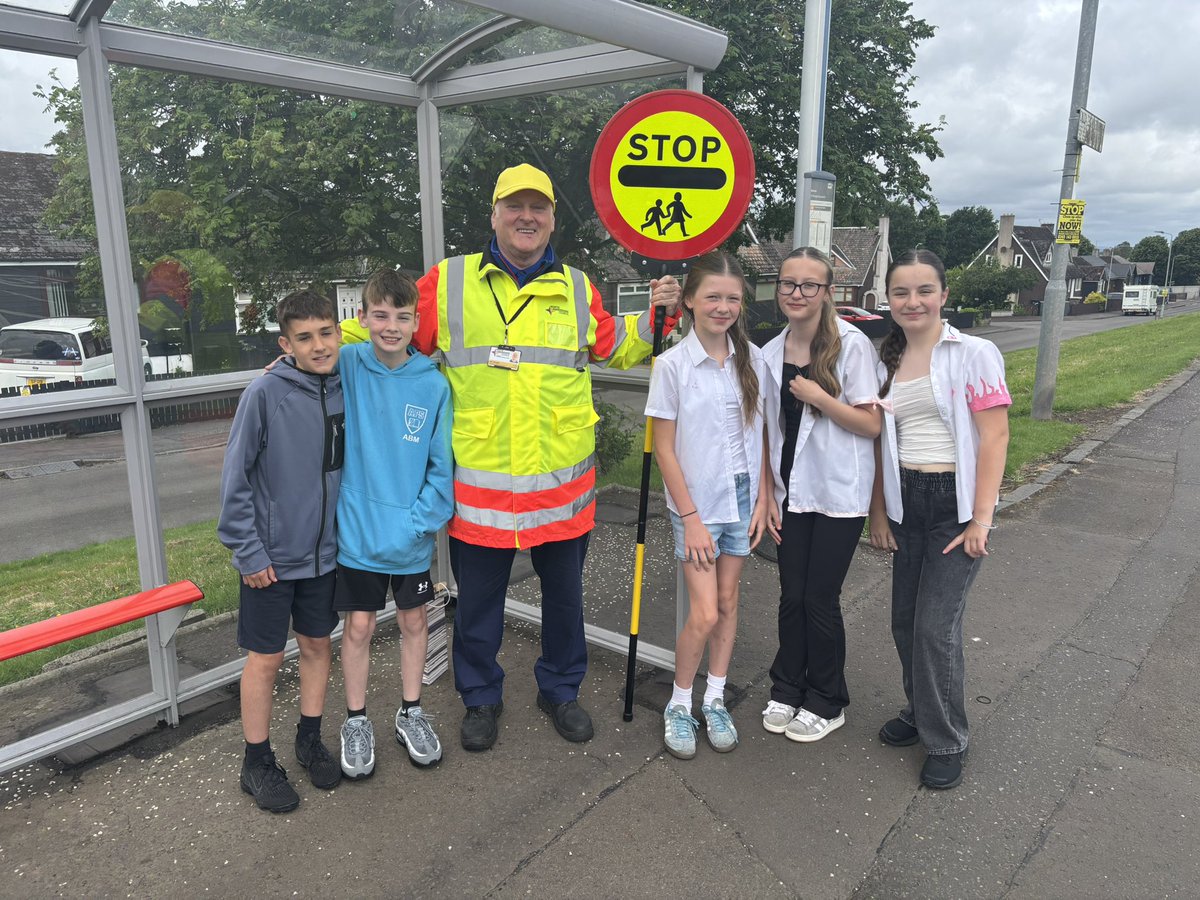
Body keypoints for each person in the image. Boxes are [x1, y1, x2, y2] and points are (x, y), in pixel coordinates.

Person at [407, 162, 680, 752]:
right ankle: (480, 698)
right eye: (514, 206)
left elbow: (619, 344)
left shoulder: (578, 288)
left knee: (564, 603)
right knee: (476, 607)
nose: (526, 217)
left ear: (552, 218)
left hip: (561, 490)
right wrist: (318, 355)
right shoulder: (447, 283)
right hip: (481, 493)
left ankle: (561, 690)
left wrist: (662, 314)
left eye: (538, 208)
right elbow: (393, 332)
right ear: (495, 215)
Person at [868, 249, 1011, 790]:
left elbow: (995, 436)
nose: (913, 301)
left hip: (955, 505)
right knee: (905, 621)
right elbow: (880, 441)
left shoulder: (973, 353)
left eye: (924, 290)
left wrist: (981, 519)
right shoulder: (886, 358)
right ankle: (919, 708)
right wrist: (879, 512)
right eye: (901, 292)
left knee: (934, 627)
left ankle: (947, 738)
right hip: (908, 500)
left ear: (944, 295)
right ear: (889, 299)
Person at [218, 289, 345, 813]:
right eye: (305, 337)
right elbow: (235, 479)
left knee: (318, 647)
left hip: (325, 556)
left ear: (340, 331)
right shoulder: (265, 394)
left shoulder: (346, 385)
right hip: (270, 560)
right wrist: (249, 552)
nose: (319, 346)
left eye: (327, 332)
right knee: (266, 659)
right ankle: (256, 760)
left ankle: (309, 738)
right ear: (285, 344)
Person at [644, 251, 771, 759]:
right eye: (713, 297)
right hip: (698, 503)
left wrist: (763, 497)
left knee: (728, 603)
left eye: (733, 298)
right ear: (691, 301)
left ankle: (714, 697)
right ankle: (680, 703)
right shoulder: (673, 365)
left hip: (742, 498)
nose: (723, 307)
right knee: (701, 613)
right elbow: (666, 450)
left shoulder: (753, 360)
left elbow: (758, 435)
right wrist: (691, 519)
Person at [334, 269, 454, 779]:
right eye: (379, 315)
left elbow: (441, 469)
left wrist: (418, 523)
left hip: (407, 537)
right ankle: (356, 720)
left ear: (416, 322)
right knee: (358, 625)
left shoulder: (432, 384)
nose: (390, 326)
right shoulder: (347, 363)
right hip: (358, 535)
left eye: (402, 317)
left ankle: (411, 712)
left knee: (413, 621)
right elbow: (298, 367)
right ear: (361, 318)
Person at [759, 247, 882, 743]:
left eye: (810, 285)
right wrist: (767, 494)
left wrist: (820, 398)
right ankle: (787, 687)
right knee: (791, 596)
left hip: (836, 492)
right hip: (790, 490)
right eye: (789, 283)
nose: (797, 293)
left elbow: (871, 424)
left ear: (828, 292)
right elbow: (766, 432)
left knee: (819, 598)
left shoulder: (851, 346)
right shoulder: (770, 352)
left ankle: (827, 700)